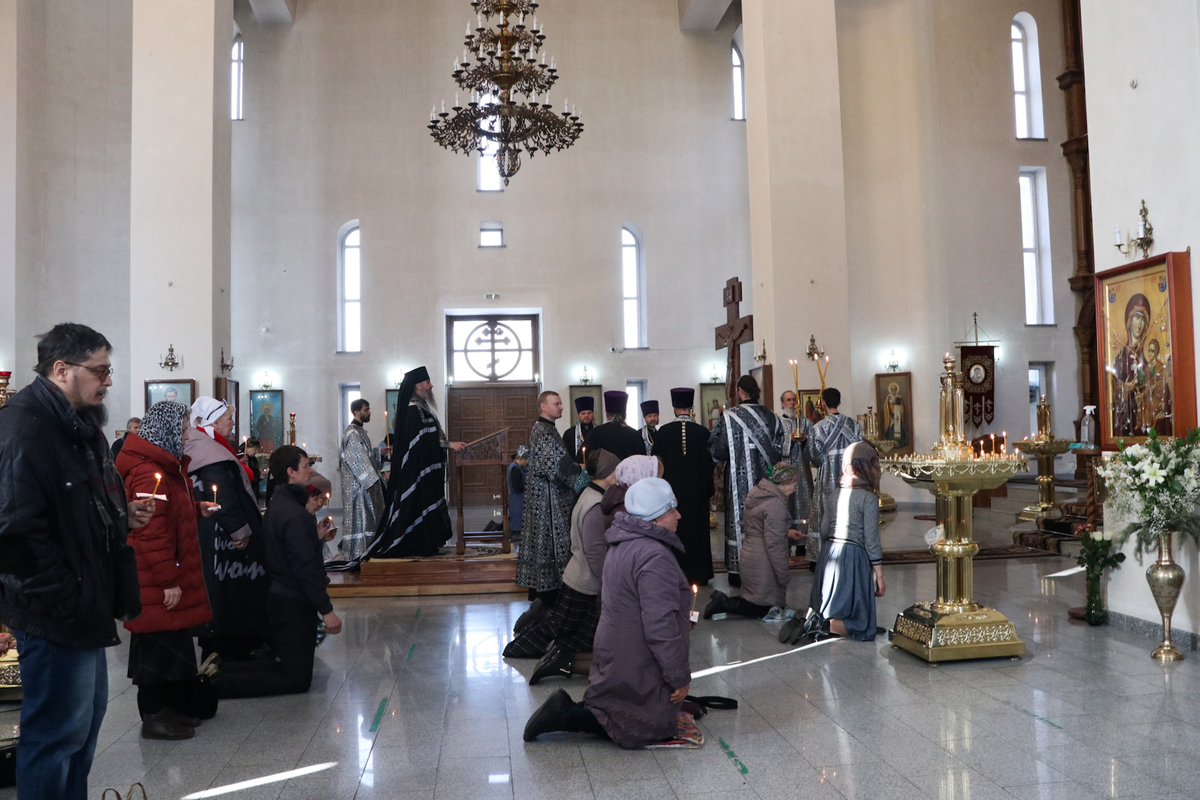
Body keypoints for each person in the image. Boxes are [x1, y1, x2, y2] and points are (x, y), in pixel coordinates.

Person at [0, 323, 154, 800]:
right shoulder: (26, 428)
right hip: (55, 611)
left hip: (83, 603)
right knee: (55, 736)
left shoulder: (77, 425)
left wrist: (120, 515)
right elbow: (15, 529)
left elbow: (73, 505)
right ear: (62, 369)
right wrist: (65, 595)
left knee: (81, 732)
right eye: (100, 370)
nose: (108, 380)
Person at [524, 478, 692, 748]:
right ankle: (565, 716)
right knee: (643, 724)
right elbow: (659, 625)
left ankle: (568, 710)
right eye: (672, 510)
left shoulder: (624, 541)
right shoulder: (653, 555)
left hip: (617, 644)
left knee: (616, 703)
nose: (679, 515)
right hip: (637, 652)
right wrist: (679, 676)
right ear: (656, 518)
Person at [115, 402, 218, 739]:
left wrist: (195, 510)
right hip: (155, 581)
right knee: (155, 651)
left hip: (162, 577)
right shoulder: (149, 472)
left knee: (170, 647)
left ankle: (169, 709)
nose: (187, 435)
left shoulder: (165, 467)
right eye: (183, 428)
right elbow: (150, 534)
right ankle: (154, 716)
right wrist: (168, 581)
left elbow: (167, 515)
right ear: (166, 431)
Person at [212, 445, 342, 697]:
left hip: (284, 597)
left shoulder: (282, 502)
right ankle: (218, 684)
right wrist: (326, 611)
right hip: (292, 601)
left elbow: (290, 551)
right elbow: (304, 567)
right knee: (296, 679)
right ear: (291, 472)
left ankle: (223, 670)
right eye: (305, 466)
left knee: (291, 667)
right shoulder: (294, 513)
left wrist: (314, 537)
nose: (310, 470)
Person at [504, 449, 621, 679]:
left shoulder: (590, 494)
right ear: (606, 473)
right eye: (616, 470)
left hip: (581, 577)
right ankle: (519, 648)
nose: (619, 475)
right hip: (584, 581)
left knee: (579, 635)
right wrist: (608, 581)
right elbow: (595, 551)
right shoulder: (595, 504)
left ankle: (555, 652)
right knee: (557, 628)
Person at [185, 397, 272, 662]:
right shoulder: (208, 451)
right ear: (213, 423)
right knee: (231, 591)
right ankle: (232, 646)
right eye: (229, 418)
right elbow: (222, 493)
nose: (233, 423)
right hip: (223, 538)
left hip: (219, 533)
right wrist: (239, 530)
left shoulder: (209, 446)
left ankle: (229, 642)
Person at [783, 441, 885, 644]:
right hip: (853, 557)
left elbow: (823, 530)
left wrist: (826, 557)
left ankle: (811, 619)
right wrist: (879, 575)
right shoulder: (868, 499)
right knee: (862, 624)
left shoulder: (833, 495)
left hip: (829, 554)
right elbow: (871, 540)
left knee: (830, 607)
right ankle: (819, 625)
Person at [371, 366, 465, 559]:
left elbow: (431, 435)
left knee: (428, 502)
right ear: (418, 385)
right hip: (417, 471)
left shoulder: (422, 407)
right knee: (419, 504)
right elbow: (422, 440)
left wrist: (446, 444)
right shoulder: (413, 411)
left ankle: (429, 543)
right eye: (427, 382)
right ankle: (419, 544)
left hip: (427, 469)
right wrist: (448, 444)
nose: (431, 386)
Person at [709, 375, 784, 586]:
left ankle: (737, 572)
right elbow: (779, 450)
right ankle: (764, 567)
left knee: (739, 520)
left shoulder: (729, 417)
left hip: (737, 481)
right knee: (764, 522)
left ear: (740, 391)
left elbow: (717, 449)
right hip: (766, 481)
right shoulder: (772, 417)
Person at [704, 464, 802, 620]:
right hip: (764, 562)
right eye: (793, 484)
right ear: (784, 484)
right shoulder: (775, 505)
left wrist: (787, 533)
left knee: (754, 599)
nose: (795, 489)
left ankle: (722, 600)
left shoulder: (760, 495)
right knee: (761, 608)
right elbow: (774, 545)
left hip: (752, 554)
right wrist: (784, 577)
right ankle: (723, 603)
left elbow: (761, 528)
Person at [516, 391, 583, 602]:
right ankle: (550, 592)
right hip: (548, 500)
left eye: (561, 403)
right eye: (556, 404)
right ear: (543, 407)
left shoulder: (548, 429)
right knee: (548, 541)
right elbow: (556, 467)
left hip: (549, 496)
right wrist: (580, 470)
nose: (561, 407)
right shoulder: (543, 431)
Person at [652, 388, 715, 585]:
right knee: (698, 533)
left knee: (675, 531)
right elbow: (710, 465)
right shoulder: (703, 432)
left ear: (674, 408)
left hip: (672, 495)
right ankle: (699, 575)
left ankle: (674, 574)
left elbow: (657, 464)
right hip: (697, 495)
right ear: (691, 407)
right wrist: (707, 490)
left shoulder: (663, 432)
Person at [808, 387, 864, 564]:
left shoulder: (818, 428)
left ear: (823, 403)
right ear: (839, 402)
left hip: (827, 478)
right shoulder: (853, 425)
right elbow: (860, 450)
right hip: (849, 477)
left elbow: (815, 456)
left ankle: (821, 557)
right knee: (848, 512)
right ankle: (849, 552)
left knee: (825, 513)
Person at [339, 398, 385, 560]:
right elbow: (356, 460)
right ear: (356, 412)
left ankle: (368, 553)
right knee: (361, 519)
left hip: (363, 485)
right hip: (358, 487)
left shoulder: (360, 431)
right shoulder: (353, 433)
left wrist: (379, 452)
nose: (369, 412)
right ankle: (358, 555)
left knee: (368, 519)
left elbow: (366, 455)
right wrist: (372, 481)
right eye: (366, 410)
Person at [778, 390, 816, 546]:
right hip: (784, 471)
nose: (792, 403)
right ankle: (785, 542)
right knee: (785, 504)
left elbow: (815, 447)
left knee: (805, 504)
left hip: (803, 470)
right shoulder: (777, 423)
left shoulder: (806, 423)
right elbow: (774, 446)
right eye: (788, 400)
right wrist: (790, 440)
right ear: (782, 403)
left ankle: (804, 543)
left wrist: (805, 439)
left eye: (794, 400)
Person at [1112, 293, 1151, 436]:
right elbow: (1113, 388)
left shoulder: (1149, 354)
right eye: (1137, 317)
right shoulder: (1120, 358)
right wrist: (1124, 388)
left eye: (1143, 319)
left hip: (1146, 419)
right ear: (1129, 321)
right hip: (1127, 421)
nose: (1140, 324)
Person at [584, 390, 645, 461]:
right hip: (628, 468)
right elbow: (641, 460)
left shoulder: (595, 433)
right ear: (624, 415)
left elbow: (585, 458)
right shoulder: (635, 435)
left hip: (602, 468)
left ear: (607, 414)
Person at [562, 396, 595, 465]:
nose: (586, 416)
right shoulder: (569, 434)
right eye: (583, 413)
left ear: (593, 414)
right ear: (578, 415)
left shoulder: (599, 431)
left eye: (589, 413)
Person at [507, 445, 529, 541]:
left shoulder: (519, 467)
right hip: (517, 499)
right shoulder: (515, 469)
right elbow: (517, 486)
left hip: (519, 498)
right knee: (516, 522)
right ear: (523, 459)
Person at [238, 437, 264, 503]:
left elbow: (255, 473)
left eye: (257, 450)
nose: (256, 452)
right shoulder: (241, 457)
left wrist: (260, 477)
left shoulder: (253, 459)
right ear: (247, 448)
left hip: (253, 487)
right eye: (255, 449)